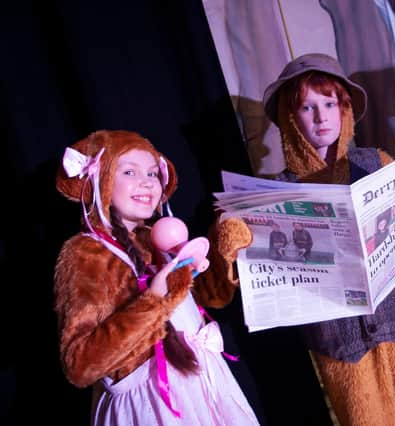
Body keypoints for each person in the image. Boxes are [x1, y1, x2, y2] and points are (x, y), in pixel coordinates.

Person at [211, 53, 395, 425]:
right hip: (339, 344)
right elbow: (244, 272)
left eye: (330, 104)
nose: (322, 117)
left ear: (345, 109)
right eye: (308, 108)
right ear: (290, 119)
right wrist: (234, 242)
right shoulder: (275, 193)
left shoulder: (376, 163)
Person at [53, 130, 259, 425]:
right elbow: (79, 364)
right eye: (129, 172)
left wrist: (222, 251)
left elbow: (207, 299)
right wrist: (152, 301)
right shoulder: (86, 252)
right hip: (155, 404)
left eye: (152, 172)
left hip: (205, 383)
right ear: (102, 179)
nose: (147, 181)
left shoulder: (155, 238)